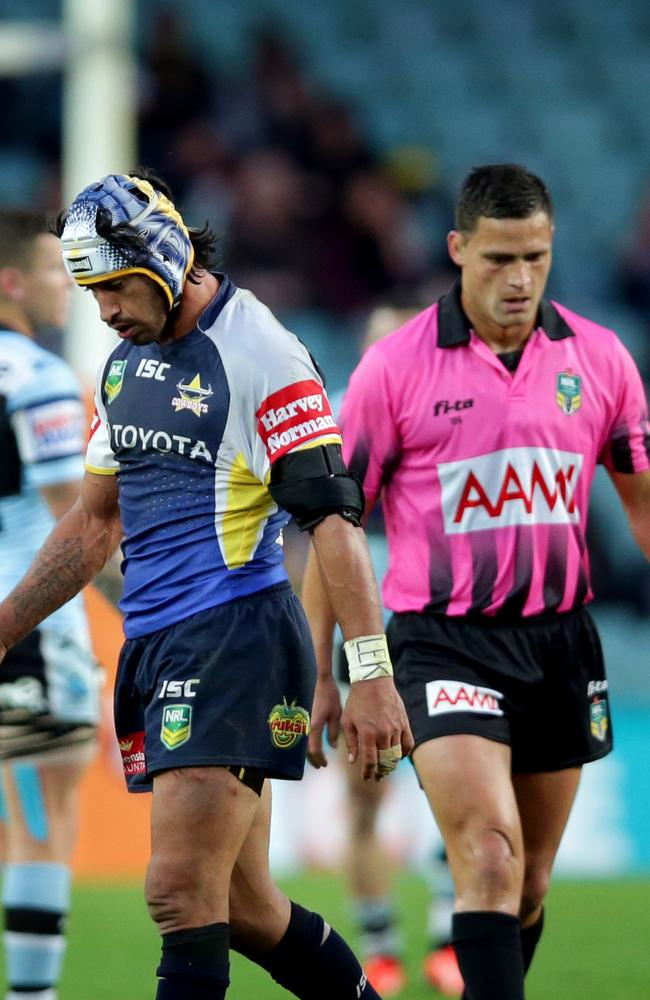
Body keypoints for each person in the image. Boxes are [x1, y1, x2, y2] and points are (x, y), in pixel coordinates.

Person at [0, 169, 412, 1000]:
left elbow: (333, 521)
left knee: (176, 894)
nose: (105, 309)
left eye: (113, 286)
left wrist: (368, 673)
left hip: (233, 640)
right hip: (158, 644)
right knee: (247, 907)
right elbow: (92, 525)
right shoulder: (124, 365)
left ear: (158, 259)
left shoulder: (261, 355)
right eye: (90, 292)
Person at [303, 163, 650, 1000]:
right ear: (459, 249)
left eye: (535, 256)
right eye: (499, 259)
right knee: (489, 858)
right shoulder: (395, 370)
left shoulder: (601, 360)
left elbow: (642, 504)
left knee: (527, 882)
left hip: (560, 640)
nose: (520, 278)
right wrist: (323, 668)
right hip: (441, 641)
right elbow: (334, 529)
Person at [311, 305, 463, 998]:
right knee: (366, 799)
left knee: (459, 789)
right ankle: (380, 949)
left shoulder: (451, 410)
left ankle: (445, 939)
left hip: (441, 624)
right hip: (363, 634)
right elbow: (316, 537)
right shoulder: (336, 419)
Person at [0, 209, 101, 999]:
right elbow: (81, 522)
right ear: (11, 283)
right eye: (52, 274)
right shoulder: (35, 378)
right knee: (39, 821)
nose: (66, 292)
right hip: (27, 628)